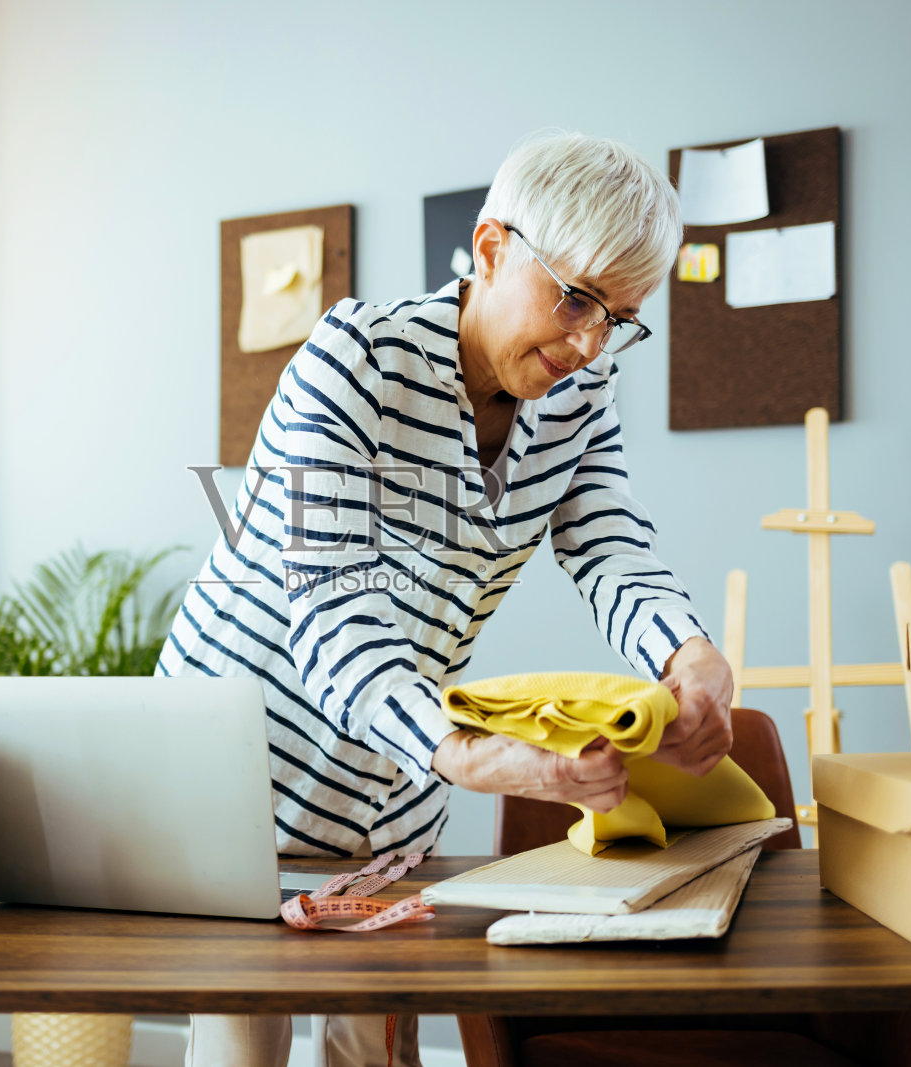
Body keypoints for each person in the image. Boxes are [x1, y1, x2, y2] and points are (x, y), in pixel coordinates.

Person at [160, 131, 735, 1067]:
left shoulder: (581, 395)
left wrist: (688, 655)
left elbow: (612, 546)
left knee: (380, 1051)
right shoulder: (351, 363)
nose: (590, 344)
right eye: (576, 297)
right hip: (238, 778)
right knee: (241, 1047)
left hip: (391, 789)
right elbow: (337, 621)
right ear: (493, 246)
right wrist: (480, 756)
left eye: (620, 317)